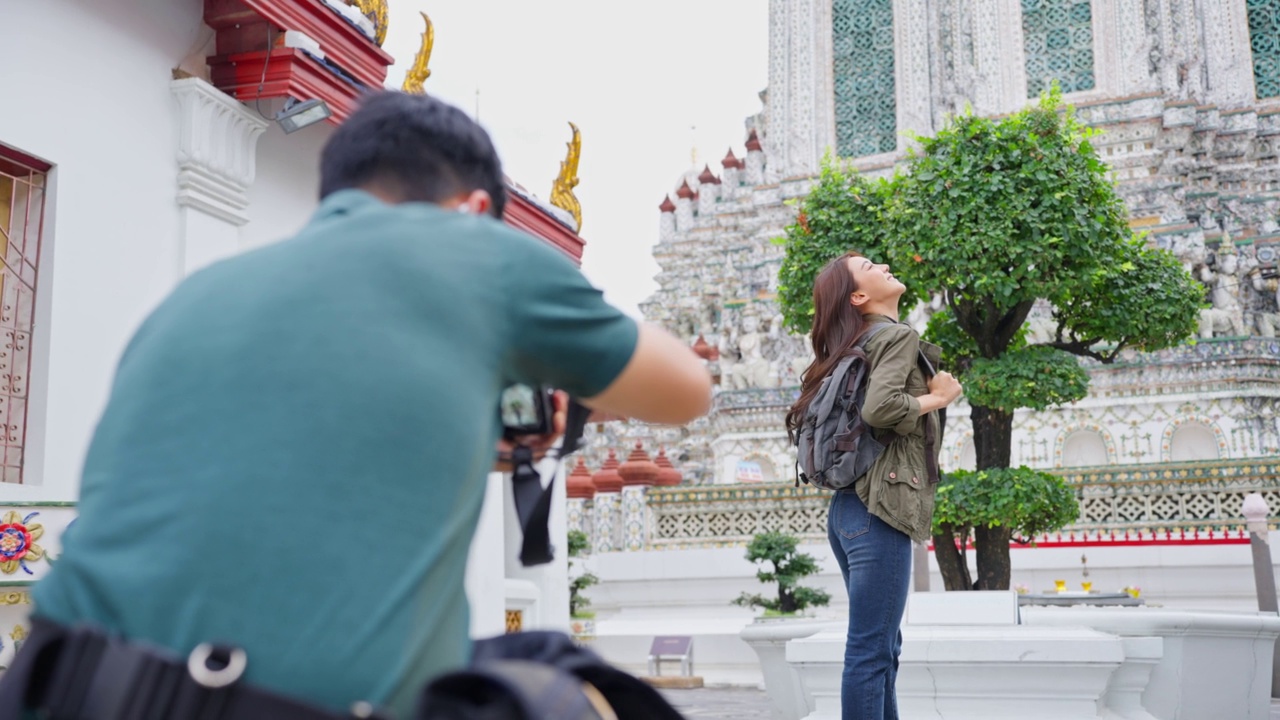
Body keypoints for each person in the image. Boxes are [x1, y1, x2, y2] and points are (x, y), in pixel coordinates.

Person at [0, 91, 712, 718]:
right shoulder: (478, 254)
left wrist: (468, 437)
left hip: (53, 685)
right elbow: (685, 390)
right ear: (474, 210)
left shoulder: (198, 293)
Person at [784, 253, 962, 720]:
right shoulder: (896, 336)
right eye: (869, 266)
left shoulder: (855, 345)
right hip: (877, 509)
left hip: (848, 513)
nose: (883, 266)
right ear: (859, 297)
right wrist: (938, 397)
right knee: (871, 652)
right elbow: (880, 411)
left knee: (882, 648)